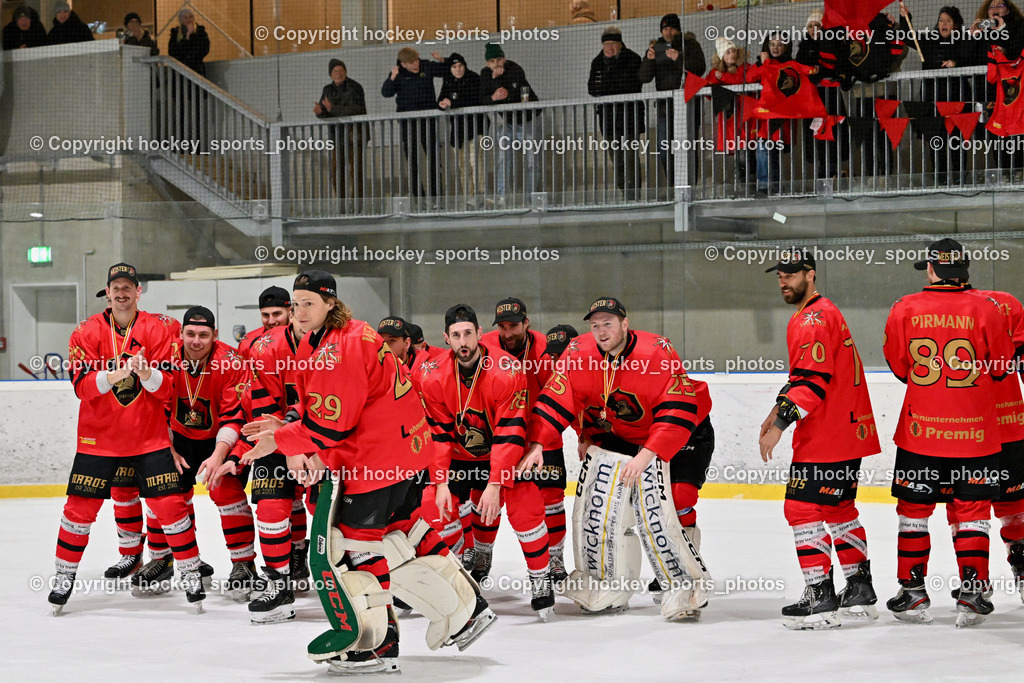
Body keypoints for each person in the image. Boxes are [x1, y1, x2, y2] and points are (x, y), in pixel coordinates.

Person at [243, 272, 494, 672]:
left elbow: (332, 426)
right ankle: (468, 609)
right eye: (297, 303)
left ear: (330, 304)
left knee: (351, 550)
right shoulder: (352, 333)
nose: (300, 310)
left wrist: (283, 442)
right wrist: (287, 427)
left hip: (374, 464)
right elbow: (323, 406)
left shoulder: (334, 349)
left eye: (309, 302)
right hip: (406, 455)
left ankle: (374, 642)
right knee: (404, 531)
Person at [521, 297, 715, 620]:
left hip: (686, 431)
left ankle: (685, 583)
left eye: (608, 323)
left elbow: (677, 409)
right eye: (595, 325)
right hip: (632, 436)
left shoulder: (655, 352)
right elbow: (559, 396)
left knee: (674, 501)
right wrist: (539, 442)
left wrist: (648, 456)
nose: (600, 331)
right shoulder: (579, 353)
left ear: (625, 323)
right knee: (604, 504)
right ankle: (610, 583)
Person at [48, 263, 205, 614]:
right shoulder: (85, 332)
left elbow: (169, 390)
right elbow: (82, 389)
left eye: (128, 287)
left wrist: (147, 373)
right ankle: (63, 577)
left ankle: (191, 574)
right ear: (108, 291)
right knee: (78, 512)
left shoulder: (161, 328)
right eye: (115, 287)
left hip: (149, 441)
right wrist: (117, 372)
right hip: (97, 442)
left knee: (171, 508)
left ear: (138, 292)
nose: (121, 293)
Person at [882, 238, 1016, 628]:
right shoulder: (987, 308)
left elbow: (900, 366)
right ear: (964, 270)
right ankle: (972, 592)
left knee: (913, 512)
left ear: (931, 269)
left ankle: (911, 592)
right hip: (976, 433)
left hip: (921, 433)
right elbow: (1002, 365)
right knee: (973, 513)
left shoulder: (903, 308)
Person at [758, 249, 881, 630]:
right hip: (847, 431)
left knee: (801, 509)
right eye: (779, 274)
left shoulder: (812, 317)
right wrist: (778, 406)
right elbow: (804, 376)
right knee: (839, 510)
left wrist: (780, 422)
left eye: (791, 274)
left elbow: (812, 382)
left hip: (827, 436)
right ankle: (858, 587)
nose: (783, 280)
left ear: (810, 275)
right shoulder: (822, 312)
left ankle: (819, 595)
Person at [417, 304, 555, 620]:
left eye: (468, 333)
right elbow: (437, 435)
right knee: (430, 505)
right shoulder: (433, 375)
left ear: (480, 334)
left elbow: (509, 432)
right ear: (446, 338)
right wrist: (439, 482)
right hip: (458, 459)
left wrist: (495, 483)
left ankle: (541, 578)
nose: (462, 341)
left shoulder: (506, 370)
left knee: (525, 505)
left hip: (502, 453)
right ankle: (457, 569)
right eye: (455, 335)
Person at [126, 307, 256, 600]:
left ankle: (244, 564)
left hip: (219, 439)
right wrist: (167, 447)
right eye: (190, 334)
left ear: (215, 336)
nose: (196, 341)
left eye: (204, 335)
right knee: (163, 489)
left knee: (227, 492)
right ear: (181, 333)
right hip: (176, 437)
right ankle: (163, 559)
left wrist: (218, 456)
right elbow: (155, 407)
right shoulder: (167, 357)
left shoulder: (230, 361)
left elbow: (234, 415)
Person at [476, 299, 567, 579]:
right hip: (500, 437)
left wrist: (584, 434)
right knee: (486, 498)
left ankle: (555, 560)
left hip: (542, 438)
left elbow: (561, 395)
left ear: (526, 323)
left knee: (552, 499)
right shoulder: (486, 345)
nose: (507, 333)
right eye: (502, 326)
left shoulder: (545, 348)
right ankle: (482, 553)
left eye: (513, 326)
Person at [900, 5, 982, 182]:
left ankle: (959, 175)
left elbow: (971, 61)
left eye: (948, 21)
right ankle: (940, 176)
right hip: (932, 101)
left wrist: (955, 63)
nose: (943, 23)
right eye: (941, 20)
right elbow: (908, 37)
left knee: (956, 140)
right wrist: (905, 17)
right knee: (936, 140)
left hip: (958, 100)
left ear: (955, 25)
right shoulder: (929, 40)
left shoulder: (963, 40)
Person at [638, 13, 706, 187]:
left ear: (678, 29)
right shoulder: (656, 48)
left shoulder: (690, 44)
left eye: (671, 28)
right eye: (665, 29)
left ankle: (690, 187)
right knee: (664, 148)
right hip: (664, 108)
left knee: (688, 146)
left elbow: (700, 68)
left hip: (688, 105)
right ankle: (674, 186)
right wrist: (649, 59)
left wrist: (679, 58)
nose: (668, 32)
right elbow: (644, 77)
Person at [381, 47, 447, 201]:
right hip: (408, 123)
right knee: (412, 160)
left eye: (416, 59)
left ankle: (436, 195)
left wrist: (443, 60)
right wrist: (392, 77)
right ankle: (418, 197)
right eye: (411, 62)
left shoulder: (426, 66)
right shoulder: (398, 74)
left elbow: (446, 71)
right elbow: (386, 93)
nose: (416, 63)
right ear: (403, 64)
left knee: (434, 158)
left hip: (428, 120)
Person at [588, 27, 645, 200]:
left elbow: (632, 86)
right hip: (608, 119)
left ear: (620, 44)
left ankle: (634, 194)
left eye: (612, 43)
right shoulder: (597, 62)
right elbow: (592, 88)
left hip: (629, 117)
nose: (609, 47)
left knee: (630, 157)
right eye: (606, 44)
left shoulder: (633, 58)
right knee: (616, 159)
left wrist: (609, 85)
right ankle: (623, 191)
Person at [480, 43, 540, 204]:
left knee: (532, 161)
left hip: (528, 120)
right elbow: (482, 97)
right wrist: (493, 94)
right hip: (508, 123)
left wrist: (498, 82)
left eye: (499, 59)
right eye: (492, 61)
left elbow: (510, 94)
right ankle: (502, 196)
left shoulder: (514, 69)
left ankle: (531, 198)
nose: (497, 64)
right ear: (487, 64)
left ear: (504, 58)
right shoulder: (485, 74)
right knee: (502, 159)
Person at [797, 10, 846, 181]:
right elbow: (798, 69)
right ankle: (821, 174)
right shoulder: (803, 48)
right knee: (815, 136)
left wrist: (820, 71)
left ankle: (833, 172)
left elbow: (837, 65)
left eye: (816, 25)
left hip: (830, 98)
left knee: (832, 134)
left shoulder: (833, 44)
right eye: (810, 26)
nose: (813, 29)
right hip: (812, 100)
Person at [315, 59, 367, 208]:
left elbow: (355, 110)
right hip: (336, 137)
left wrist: (332, 109)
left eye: (341, 70)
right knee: (337, 172)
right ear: (330, 74)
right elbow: (325, 111)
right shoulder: (327, 90)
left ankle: (357, 205)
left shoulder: (355, 87)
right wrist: (319, 113)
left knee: (356, 172)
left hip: (355, 136)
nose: (338, 73)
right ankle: (342, 203)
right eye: (335, 71)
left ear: (345, 72)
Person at [706, 37, 756, 186]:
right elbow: (709, 90)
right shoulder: (715, 72)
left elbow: (742, 80)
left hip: (746, 116)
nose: (732, 54)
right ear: (722, 56)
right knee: (739, 150)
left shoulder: (745, 67)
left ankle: (750, 181)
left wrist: (723, 78)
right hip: (730, 118)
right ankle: (741, 181)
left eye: (733, 50)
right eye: (728, 52)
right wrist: (716, 78)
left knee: (748, 149)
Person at [438, 53, 485, 207]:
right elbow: (441, 100)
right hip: (458, 132)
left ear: (465, 66)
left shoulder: (474, 78)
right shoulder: (448, 81)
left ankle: (481, 194)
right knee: (463, 166)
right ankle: (468, 197)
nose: (458, 70)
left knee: (475, 162)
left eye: (460, 66)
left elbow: (473, 99)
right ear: (450, 69)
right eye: (454, 67)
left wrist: (453, 102)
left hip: (475, 128)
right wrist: (442, 104)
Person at [237, 286, 292, 357]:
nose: (271, 321)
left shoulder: (304, 338)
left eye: (277, 313)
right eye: (265, 315)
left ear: (290, 312)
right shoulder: (248, 342)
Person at [168, 8, 209, 76]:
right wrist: (187, 38)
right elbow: (173, 52)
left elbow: (204, 50)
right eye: (185, 17)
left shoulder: (201, 32)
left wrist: (192, 36)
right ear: (181, 20)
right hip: (180, 72)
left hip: (197, 70)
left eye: (190, 17)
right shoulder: (175, 34)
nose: (189, 20)